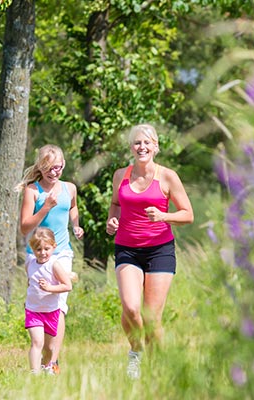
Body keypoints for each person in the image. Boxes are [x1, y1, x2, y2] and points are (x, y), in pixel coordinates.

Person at [105, 124, 194, 379]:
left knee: (152, 319)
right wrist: (112, 220)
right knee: (131, 308)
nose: (141, 147)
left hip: (159, 251)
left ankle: (158, 373)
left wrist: (163, 215)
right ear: (131, 147)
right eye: (136, 143)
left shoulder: (167, 176)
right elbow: (115, 203)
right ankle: (136, 351)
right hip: (127, 249)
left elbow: (188, 214)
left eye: (147, 143)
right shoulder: (120, 174)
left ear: (155, 146)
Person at [17, 144, 84, 375]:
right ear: (40, 166)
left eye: (57, 167)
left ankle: (52, 362)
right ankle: (43, 349)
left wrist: (75, 226)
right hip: (35, 253)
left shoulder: (70, 188)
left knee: (60, 303)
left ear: (63, 165)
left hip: (62, 251)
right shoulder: (32, 190)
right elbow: (24, 226)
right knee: (40, 297)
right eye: (47, 168)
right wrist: (45, 207)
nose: (53, 172)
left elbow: (72, 208)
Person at [24, 227, 73, 374]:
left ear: (54, 247)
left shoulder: (54, 265)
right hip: (33, 311)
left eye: (47, 248)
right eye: (38, 249)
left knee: (49, 348)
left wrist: (50, 288)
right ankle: (34, 372)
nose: (43, 253)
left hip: (51, 311)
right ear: (33, 249)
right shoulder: (30, 264)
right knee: (37, 342)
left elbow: (67, 285)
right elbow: (30, 282)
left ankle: (47, 367)